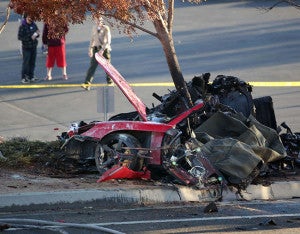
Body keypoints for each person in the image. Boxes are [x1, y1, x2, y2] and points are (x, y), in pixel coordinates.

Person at [81, 16, 112, 91]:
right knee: (92, 67)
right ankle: (87, 84)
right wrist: (90, 49)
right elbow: (92, 39)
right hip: (96, 49)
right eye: (97, 20)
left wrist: (102, 50)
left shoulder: (106, 28)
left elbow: (108, 41)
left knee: (107, 67)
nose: (99, 22)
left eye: (100, 20)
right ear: (95, 21)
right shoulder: (94, 28)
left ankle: (110, 81)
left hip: (104, 50)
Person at [18, 14, 40, 83]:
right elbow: (20, 37)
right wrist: (30, 37)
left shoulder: (33, 24)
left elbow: (37, 33)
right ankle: (24, 77)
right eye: (30, 17)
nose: (31, 18)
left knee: (32, 62)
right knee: (26, 63)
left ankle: (31, 76)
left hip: (33, 47)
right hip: (26, 48)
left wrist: (37, 34)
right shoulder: (22, 26)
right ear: (26, 18)